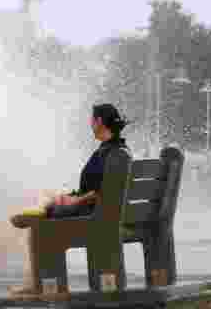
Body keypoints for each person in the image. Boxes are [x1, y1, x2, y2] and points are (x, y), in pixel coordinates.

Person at [8, 103, 131, 297]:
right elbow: (99, 190)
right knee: (49, 204)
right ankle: (35, 280)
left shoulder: (111, 153)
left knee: (40, 222)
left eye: (92, 120)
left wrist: (73, 202)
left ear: (99, 122)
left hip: (95, 216)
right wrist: (68, 198)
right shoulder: (115, 149)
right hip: (100, 212)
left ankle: (43, 285)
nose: (90, 124)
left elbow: (98, 193)